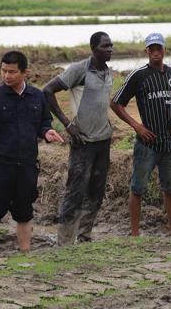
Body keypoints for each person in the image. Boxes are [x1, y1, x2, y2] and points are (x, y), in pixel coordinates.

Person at [0, 51, 64, 258]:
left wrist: (47, 132)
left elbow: (43, 123)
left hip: (27, 165)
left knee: (24, 210)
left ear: (25, 72)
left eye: (12, 72)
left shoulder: (37, 96)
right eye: (3, 71)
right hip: (1, 165)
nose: (7, 76)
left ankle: (25, 252)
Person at [111, 32, 171, 237]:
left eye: (159, 48)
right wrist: (137, 126)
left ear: (164, 50)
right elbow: (116, 103)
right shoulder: (139, 75)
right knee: (137, 188)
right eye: (152, 49)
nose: (156, 52)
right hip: (147, 142)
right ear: (146, 51)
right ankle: (135, 234)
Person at [42, 31, 114, 245]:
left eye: (111, 46)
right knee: (75, 191)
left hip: (103, 140)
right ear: (93, 49)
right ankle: (65, 242)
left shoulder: (107, 71)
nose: (109, 49)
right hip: (83, 141)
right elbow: (47, 90)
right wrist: (67, 124)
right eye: (104, 46)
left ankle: (85, 236)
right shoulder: (80, 70)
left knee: (96, 191)